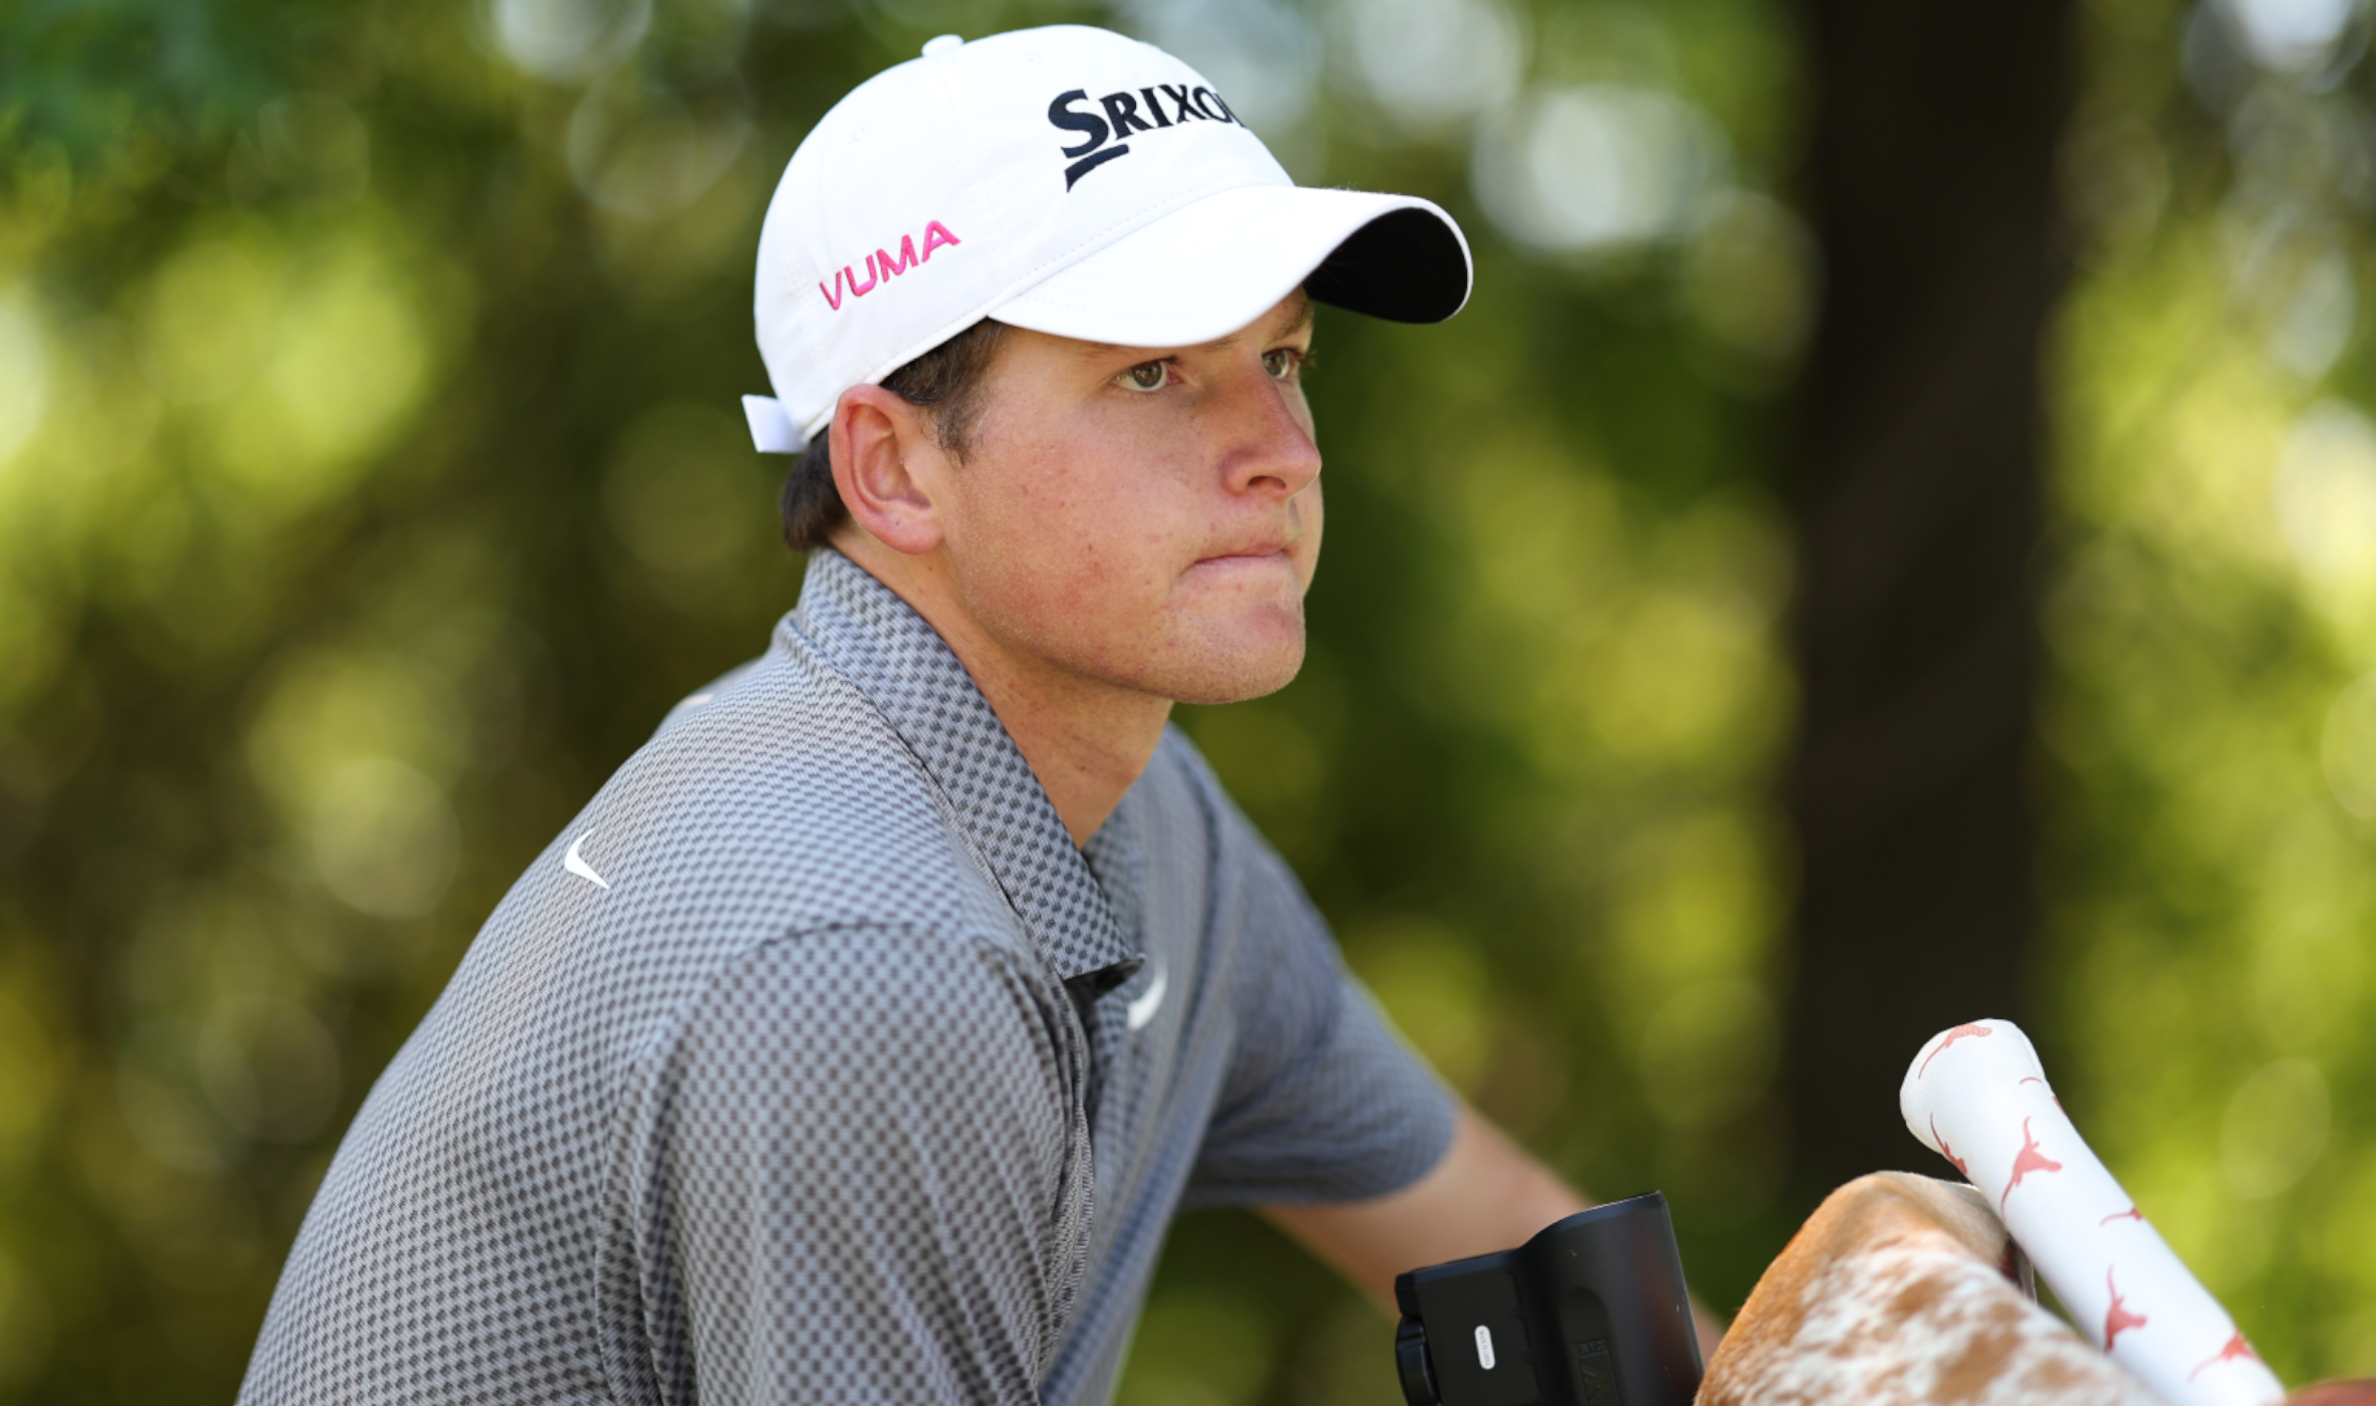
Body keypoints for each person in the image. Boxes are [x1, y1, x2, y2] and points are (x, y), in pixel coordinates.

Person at [238, 24, 1716, 1406]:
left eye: (1279, 358)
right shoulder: (857, 949)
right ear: (892, 470)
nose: (1283, 450)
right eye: (1152, 370)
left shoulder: (1147, 821)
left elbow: (1514, 1248)